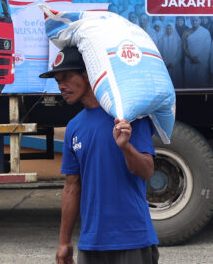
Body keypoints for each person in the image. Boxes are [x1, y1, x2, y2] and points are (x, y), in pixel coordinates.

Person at [39, 46, 159, 264]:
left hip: (133, 239)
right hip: (91, 244)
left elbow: (147, 171)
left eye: (66, 77)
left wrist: (126, 147)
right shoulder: (74, 127)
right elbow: (72, 186)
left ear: (88, 74)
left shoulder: (129, 115)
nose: (61, 86)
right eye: (57, 81)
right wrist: (64, 242)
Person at [182, 16, 211, 87]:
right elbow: (184, 47)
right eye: (192, 20)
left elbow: (207, 48)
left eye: (196, 20)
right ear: (190, 21)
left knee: (201, 83)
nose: (194, 22)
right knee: (190, 83)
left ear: (200, 21)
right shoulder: (186, 32)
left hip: (201, 61)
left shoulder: (205, 32)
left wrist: (199, 59)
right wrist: (191, 57)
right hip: (189, 60)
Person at [157, 22, 183, 87]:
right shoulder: (162, 39)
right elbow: (159, 51)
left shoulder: (177, 39)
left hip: (175, 65)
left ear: (173, 29)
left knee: (176, 82)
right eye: (167, 29)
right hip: (165, 65)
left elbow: (179, 53)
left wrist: (173, 62)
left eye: (170, 29)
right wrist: (166, 63)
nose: (169, 30)